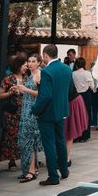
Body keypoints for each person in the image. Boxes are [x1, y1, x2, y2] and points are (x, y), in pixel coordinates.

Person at [31, 44, 72, 186]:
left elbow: (45, 96)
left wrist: (35, 110)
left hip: (47, 114)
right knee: (60, 141)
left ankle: (53, 176)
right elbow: (70, 90)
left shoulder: (47, 72)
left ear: (46, 55)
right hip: (61, 111)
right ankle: (64, 170)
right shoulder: (67, 69)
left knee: (49, 145)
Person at [0, 54, 27, 171]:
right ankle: (12, 161)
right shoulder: (8, 79)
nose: (26, 67)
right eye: (24, 65)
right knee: (12, 136)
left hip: (25, 111)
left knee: (25, 135)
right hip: (12, 113)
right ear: (18, 66)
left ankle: (29, 159)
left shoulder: (27, 77)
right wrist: (10, 92)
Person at [17, 53, 43, 183]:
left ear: (39, 63)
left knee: (28, 140)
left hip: (33, 111)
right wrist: (21, 90)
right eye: (29, 61)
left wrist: (25, 90)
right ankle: (32, 169)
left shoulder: (39, 75)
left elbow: (42, 94)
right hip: (26, 109)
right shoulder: (30, 75)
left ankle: (31, 171)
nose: (30, 63)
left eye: (33, 61)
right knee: (26, 139)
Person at [65, 76, 88, 167]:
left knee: (69, 131)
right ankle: (65, 157)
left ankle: (66, 158)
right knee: (66, 131)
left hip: (72, 102)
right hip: (68, 101)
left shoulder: (63, 71)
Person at [72, 57, 94, 142]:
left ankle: (77, 135)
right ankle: (85, 135)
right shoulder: (87, 73)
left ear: (76, 65)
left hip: (76, 95)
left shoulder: (73, 73)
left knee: (77, 115)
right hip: (86, 95)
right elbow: (92, 85)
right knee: (86, 114)